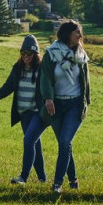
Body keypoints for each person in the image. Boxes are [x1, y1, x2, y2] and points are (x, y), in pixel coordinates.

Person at [0, 35, 48, 184]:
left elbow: (49, 87)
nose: (25, 56)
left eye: (28, 53)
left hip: (38, 113)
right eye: (22, 53)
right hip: (23, 114)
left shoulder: (42, 69)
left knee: (28, 141)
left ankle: (23, 177)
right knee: (35, 144)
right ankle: (42, 179)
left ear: (35, 54)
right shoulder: (17, 69)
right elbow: (8, 86)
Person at [40, 20, 90, 194]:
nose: (80, 36)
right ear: (68, 34)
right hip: (56, 105)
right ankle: (73, 179)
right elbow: (45, 77)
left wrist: (86, 102)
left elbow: (86, 81)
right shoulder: (51, 53)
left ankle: (57, 183)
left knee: (64, 141)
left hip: (75, 105)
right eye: (77, 32)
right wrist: (48, 98)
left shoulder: (81, 55)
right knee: (64, 144)